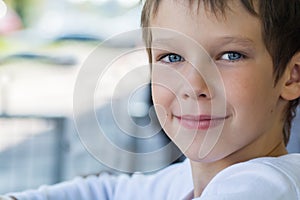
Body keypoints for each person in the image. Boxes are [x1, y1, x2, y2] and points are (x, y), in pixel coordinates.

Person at [1, 0, 300, 199]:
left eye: (230, 55)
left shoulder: (265, 187)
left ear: (292, 76)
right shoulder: (182, 180)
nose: (192, 85)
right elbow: (106, 192)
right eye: (172, 57)